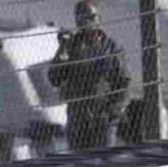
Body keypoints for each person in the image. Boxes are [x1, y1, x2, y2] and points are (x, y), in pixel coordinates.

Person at [48, 0, 130, 151]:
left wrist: (113, 111)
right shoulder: (71, 45)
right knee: (78, 160)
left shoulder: (111, 47)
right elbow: (54, 78)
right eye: (81, 18)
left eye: (91, 17)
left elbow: (123, 82)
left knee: (103, 160)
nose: (86, 22)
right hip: (78, 116)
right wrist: (62, 51)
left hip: (103, 116)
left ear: (98, 18)